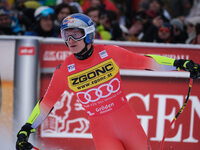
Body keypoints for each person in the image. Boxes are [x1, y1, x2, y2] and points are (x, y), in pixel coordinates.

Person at [16, 13, 200, 150]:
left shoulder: (109, 53)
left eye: (76, 34)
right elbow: (46, 104)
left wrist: (179, 64)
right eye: (66, 35)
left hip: (128, 125)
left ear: (88, 34)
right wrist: (26, 129)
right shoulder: (65, 70)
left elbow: (147, 62)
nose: (71, 40)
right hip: (103, 132)